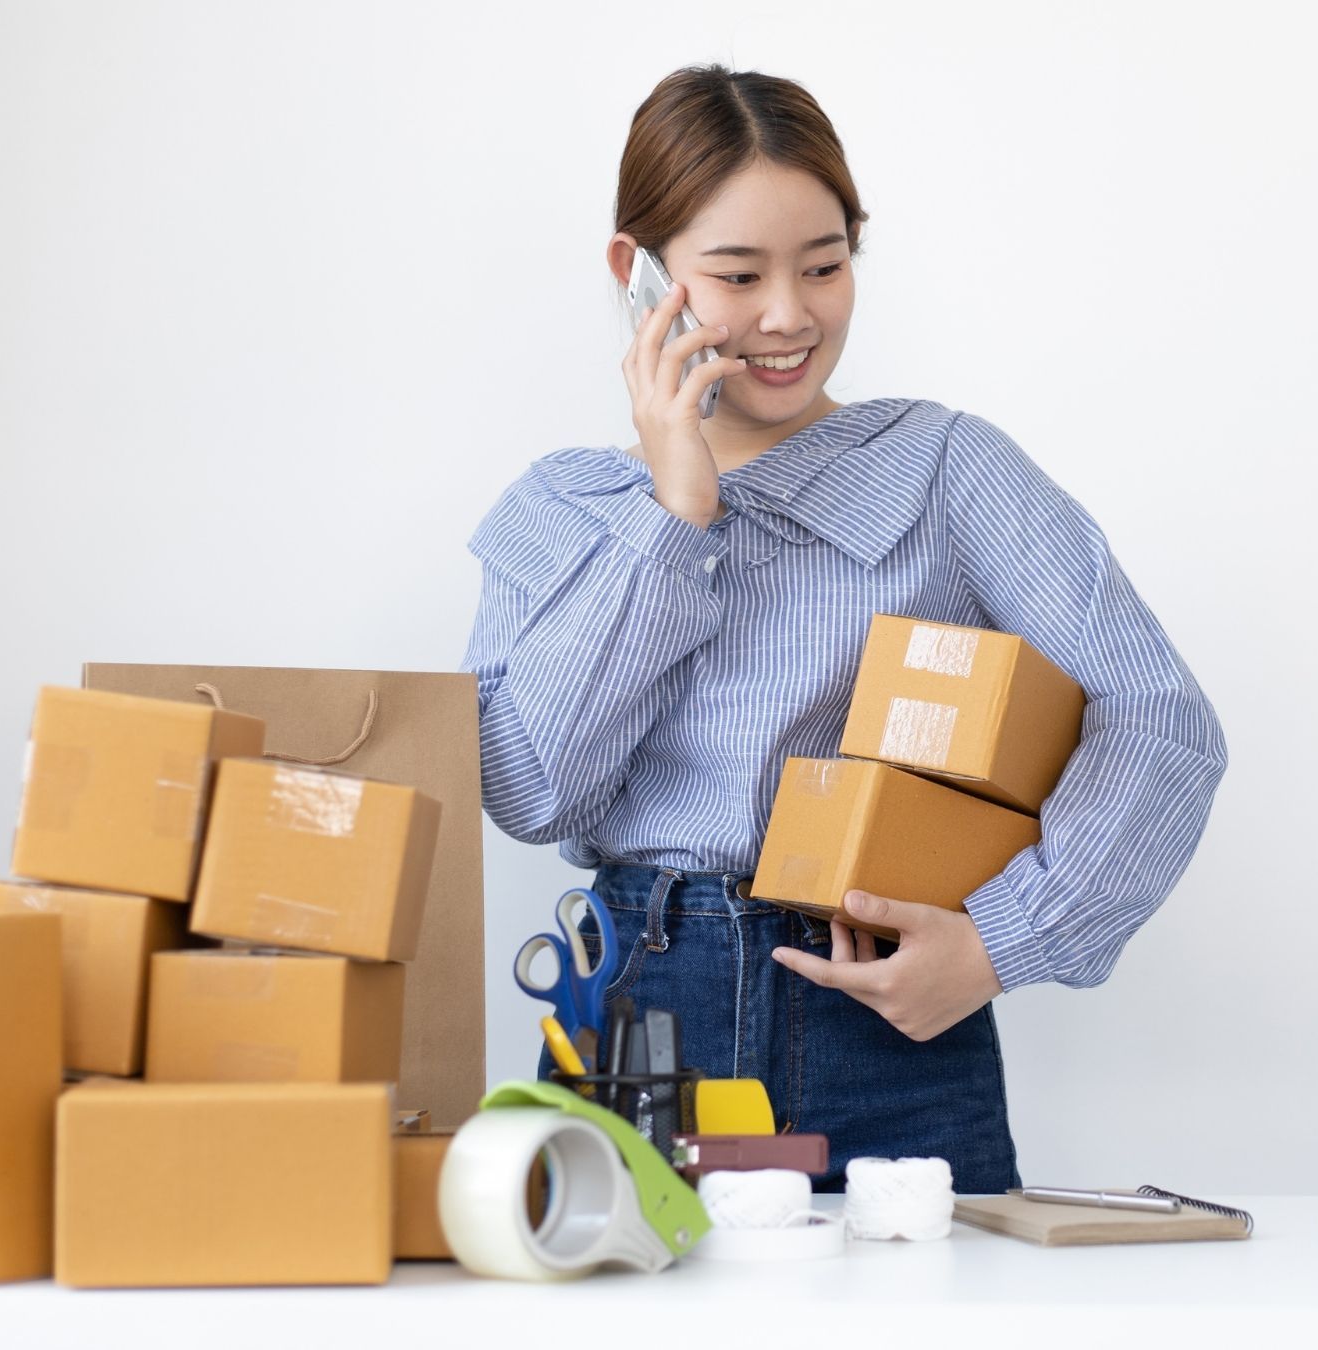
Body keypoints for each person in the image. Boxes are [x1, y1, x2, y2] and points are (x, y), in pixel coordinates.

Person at [459, 64, 1227, 1193]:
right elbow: (531, 792)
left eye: (825, 265)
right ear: (639, 274)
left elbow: (1160, 718)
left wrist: (1004, 942)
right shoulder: (563, 510)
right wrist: (674, 516)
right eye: (737, 273)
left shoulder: (946, 470)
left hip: (885, 1024)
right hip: (637, 1017)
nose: (788, 314)